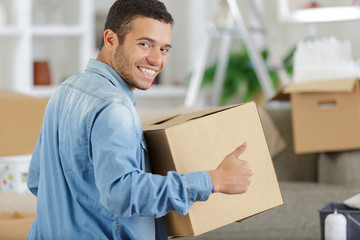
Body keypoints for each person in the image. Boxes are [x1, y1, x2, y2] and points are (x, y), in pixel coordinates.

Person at [27, 0, 253, 239]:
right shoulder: (114, 108)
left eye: (164, 49)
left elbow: (37, 181)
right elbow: (121, 194)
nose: (156, 60)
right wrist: (212, 180)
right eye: (145, 44)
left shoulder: (65, 90)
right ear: (111, 40)